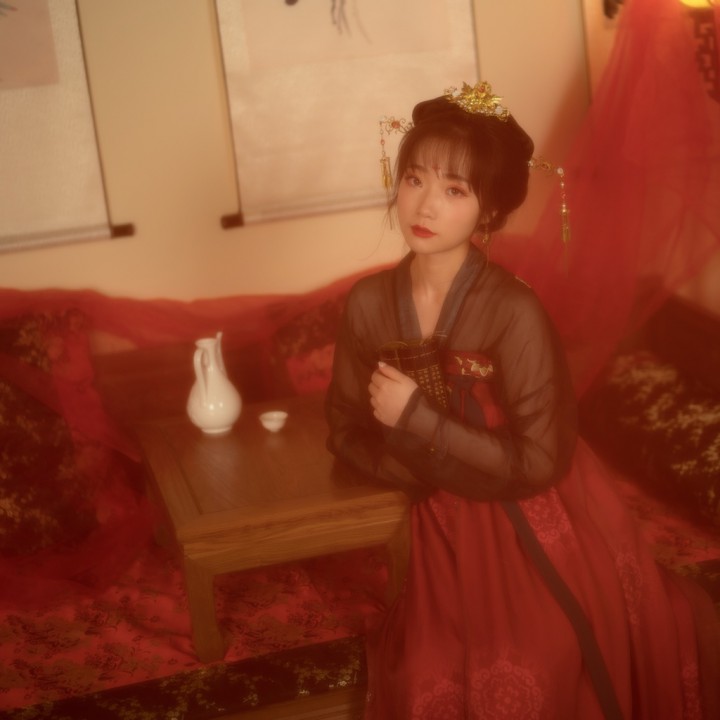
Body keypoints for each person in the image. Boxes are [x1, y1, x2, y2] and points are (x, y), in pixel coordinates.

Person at [325, 81, 720, 719]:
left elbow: (540, 460)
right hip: (424, 505)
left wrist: (417, 419)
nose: (425, 204)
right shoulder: (368, 303)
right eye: (415, 179)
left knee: (539, 654)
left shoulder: (514, 309)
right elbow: (343, 426)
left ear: (488, 212)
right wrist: (411, 470)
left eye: (455, 190)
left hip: (527, 507)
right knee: (422, 667)